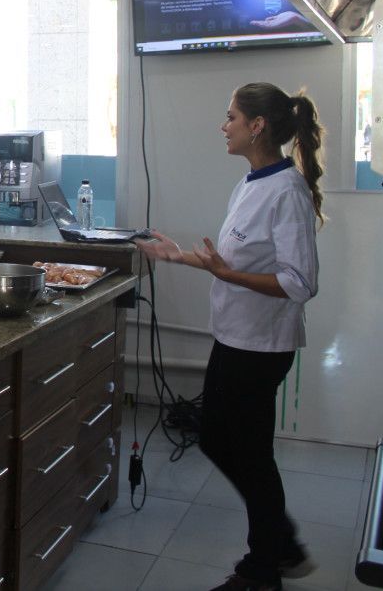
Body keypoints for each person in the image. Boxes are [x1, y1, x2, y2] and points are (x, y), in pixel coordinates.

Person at [138, 82, 323, 591]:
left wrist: (227, 275)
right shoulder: (250, 183)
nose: (224, 127)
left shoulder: (287, 191)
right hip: (235, 337)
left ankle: (264, 567)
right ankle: (280, 544)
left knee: (248, 453)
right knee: (219, 440)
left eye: (231, 117)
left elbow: (300, 283)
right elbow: (229, 261)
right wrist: (179, 256)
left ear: (257, 126)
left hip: (262, 346)